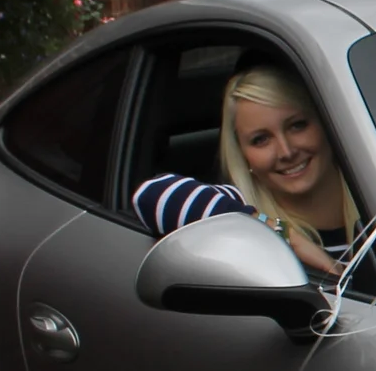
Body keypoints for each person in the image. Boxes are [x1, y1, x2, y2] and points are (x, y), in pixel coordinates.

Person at [134, 66, 363, 279]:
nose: (286, 151)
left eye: (297, 125)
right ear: (243, 155)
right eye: (261, 140)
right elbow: (151, 195)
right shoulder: (240, 206)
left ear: (325, 122)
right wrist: (283, 234)